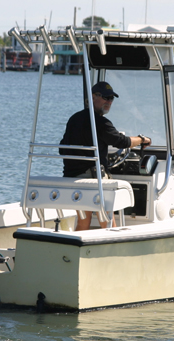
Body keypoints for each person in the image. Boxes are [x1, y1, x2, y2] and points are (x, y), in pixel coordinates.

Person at [59, 81, 151, 231]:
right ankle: (113, 249)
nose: (109, 102)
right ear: (92, 97)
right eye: (105, 97)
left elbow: (62, 149)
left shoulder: (74, 119)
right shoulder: (101, 122)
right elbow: (122, 141)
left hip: (71, 177)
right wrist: (142, 139)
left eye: (111, 99)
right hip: (92, 179)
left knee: (83, 222)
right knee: (107, 220)